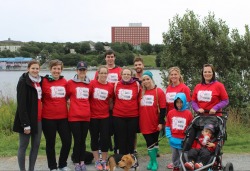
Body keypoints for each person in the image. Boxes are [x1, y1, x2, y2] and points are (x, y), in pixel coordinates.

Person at [41, 59, 72, 171]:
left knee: (67, 141)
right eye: (54, 68)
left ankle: (62, 164)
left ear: (61, 70)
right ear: (50, 69)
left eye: (58, 69)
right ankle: (52, 166)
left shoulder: (65, 82)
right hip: (48, 118)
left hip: (63, 117)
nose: (56, 71)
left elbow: (69, 96)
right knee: (50, 143)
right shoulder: (43, 81)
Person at [13, 60, 42, 171]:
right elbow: (21, 105)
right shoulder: (23, 82)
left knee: (35, 146)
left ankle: (31, 169)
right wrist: (25, 124)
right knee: (23, 146)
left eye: (37, 68)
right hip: (26, 121)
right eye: (33, 68)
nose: (35, 70)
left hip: (38, 119)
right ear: (28, 69)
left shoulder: (40, 81)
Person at [66, 61, 92, 171]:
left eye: (84, 70)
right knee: (77, 140)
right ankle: (76, 162)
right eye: (80, 70)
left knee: (83, 140)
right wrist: (69, 103)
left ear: (86, 71)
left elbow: (90, 99)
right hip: (74, 117)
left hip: (86, 117)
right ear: (76, 71)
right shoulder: (70, 83)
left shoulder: (90, 84)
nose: (82, 71)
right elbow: (65, 96)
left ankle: (82, 161)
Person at [139, 71, 166, 171]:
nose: (146, 81)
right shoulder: (141, 92)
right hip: (144, 122)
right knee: (149, 142)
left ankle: (153, 161)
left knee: (154, 142)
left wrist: (160, 122)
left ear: (151, 79)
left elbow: (163, 108)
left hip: (155, 122)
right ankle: (153, 160)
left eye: (147, 79)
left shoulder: (158, 91)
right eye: (144, 80)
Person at [165, 66, 191, 169]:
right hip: (171, 116)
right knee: (173, 142)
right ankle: (175, 162)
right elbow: (167, 103)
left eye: (175, 74)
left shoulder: (184, 87)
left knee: (182, 144)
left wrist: (183, 113)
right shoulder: (169, 87)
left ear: (179, 75)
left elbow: (188, 103)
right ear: (169, 76)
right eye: (172, 74)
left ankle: (182, 163)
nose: (173, 76)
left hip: (182, 115)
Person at [89, 65, 114, 171]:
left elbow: (111, 101)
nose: (103, 75)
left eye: (105, 73)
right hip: (93, 116)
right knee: (94, 138)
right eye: (102, 73)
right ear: (98, 73)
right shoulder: (92, 84)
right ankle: (97, 160)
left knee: (105, 139)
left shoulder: (110, 86)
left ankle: (104, 160)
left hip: (105, 117)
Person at [113, 67, 140, 155]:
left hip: (133, 115)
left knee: (131, 137)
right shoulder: (116, 84)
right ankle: (122, 156)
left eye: (128, 74)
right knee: (121, 136)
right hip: (118, 115)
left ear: (131, 76)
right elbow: (113, 98)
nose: (126, 76)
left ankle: (130, 155)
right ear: (121, 75)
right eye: (124, 74)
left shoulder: (137, 84)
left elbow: (139, 98)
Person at [165, 93, 193, 171]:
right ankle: (176, 167)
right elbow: (167, 126)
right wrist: (169, 136)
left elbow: (191, 127)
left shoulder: (188, 113)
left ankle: (183, 167)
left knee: (183, 156)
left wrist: (188, 138)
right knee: (174, 156)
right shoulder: (171, 113)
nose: (179, 104)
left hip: (183, 141)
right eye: (177, 102)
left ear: (184, 102)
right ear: (175, 102)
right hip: (173, 140)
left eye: (181, 102)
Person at [133, 56, 144, 154]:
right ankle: (134, 149)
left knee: (149, 129)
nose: (138, 66)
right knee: (134, 131)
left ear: (143, 65)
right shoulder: (132, 79)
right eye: (136, 65)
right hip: (135, 107)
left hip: (146, 107)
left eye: (139, 64)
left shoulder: (148, 77)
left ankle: (153, 148)